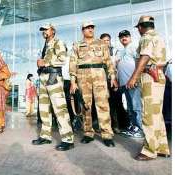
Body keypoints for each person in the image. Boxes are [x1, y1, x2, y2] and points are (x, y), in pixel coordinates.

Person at [126, 15, 170, 160]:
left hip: (150, 76)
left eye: (138, 27)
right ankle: (162, 147)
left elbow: (144, 58)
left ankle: (149, 151)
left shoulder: (146, 37)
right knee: (156, 113)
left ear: (140, 27)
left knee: (149, 114)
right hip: (159, 75)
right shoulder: (158, 36)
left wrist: (134, 77)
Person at [69, 21, 118, 147]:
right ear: (83, 30)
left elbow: (108, 61)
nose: (90, 29)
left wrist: (112, 76)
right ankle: (88, 133)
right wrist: (73, 82)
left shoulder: (101, 43)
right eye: (87, 27)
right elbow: (73, 63)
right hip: (82, 76)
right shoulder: (77, 45)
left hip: (99, 75)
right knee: (86, 105)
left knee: (103, 104)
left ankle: (107, 134)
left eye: (92, 27)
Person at [32, 23, 74, 151]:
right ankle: (45, 136)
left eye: (46, 29)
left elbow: (62, 59)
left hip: (54, 78)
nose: (44, 31)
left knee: (59, 109)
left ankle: (68, 139)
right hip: (43, 77)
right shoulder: (45, 45)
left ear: (53, 31)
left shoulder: (58, 43)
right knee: (44, 109)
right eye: (42, 30)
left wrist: (45, 62)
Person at [116, 30, 143, 138]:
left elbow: (140, 63)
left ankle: (140, 130)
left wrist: (135, 79)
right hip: (125, 84)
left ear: (130, 37)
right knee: (130, 106)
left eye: (126, 36)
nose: (124, 38)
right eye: (121, 36)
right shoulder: (122, 51)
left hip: (133, 82)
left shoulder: (134, 47)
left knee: (136, 106)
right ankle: (134, 127)